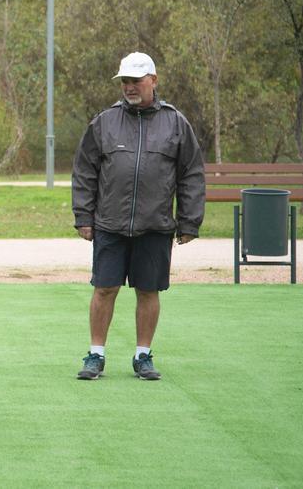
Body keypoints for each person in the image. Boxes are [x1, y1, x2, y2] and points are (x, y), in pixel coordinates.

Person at [71, 51, 205, 381]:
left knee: (148, 290)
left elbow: (191, 174)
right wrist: (83, 216)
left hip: (155, 225)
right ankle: (96, 355)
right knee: (104, 288)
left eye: (135, 81)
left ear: (153, 81)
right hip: (109, 224)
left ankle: (143, 356)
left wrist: (189, 221)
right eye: (125, 82)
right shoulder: (103, 122)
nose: (129, 87)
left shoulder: (176, 122)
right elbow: (85, 171)